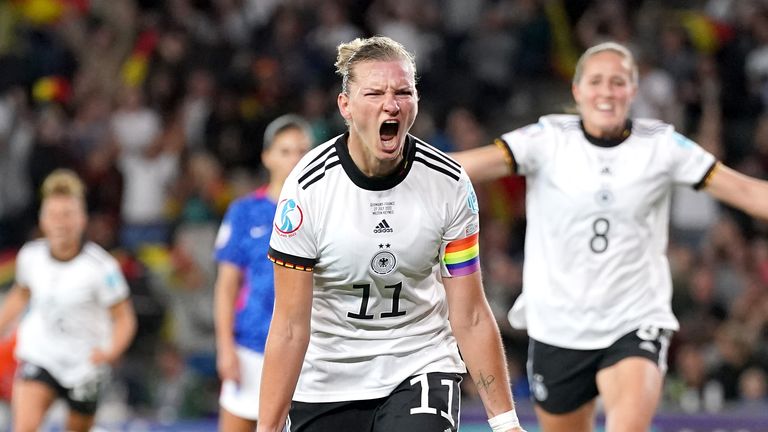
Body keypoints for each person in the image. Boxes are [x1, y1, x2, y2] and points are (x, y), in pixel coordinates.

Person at [452, 41, 768, 432]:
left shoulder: (661, 145)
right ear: (577, 90)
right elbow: (462, 167)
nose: (607, 91)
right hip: (558, 325)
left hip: (634, 319)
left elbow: (746, 192)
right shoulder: (547, 138)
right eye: (596, 81)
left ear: (633, 91)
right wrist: (396, 166)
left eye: (618, 82)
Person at [257, 36, 525, 432]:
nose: (392, 104)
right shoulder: (307, 190)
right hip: (327, 382)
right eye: (375, 92)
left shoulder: (449, 185)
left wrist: (505, 423)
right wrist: (268, 428)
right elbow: (291, 326)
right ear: (345, 106)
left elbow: (469, 313)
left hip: (419, 366)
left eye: (404, 92)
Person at [0, 169, 136, 432]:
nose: (60, 223)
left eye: (67, 215)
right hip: (41, 355)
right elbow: (21, 294)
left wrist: (111, 351)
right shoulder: (30, 257)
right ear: (43, 220)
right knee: (24, 427)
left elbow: (124, 318)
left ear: (82, 219)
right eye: (54, 215)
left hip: (84, 365)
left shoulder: (102, 268)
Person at [213, 114, 313, 431]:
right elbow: (227, 287)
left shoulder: (321, 211)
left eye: (301, 151)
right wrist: (225, 349)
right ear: (267, 157)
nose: (295, 159)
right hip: (250, 348)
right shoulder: (244, 212)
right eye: (285, 151)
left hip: (305, 353)